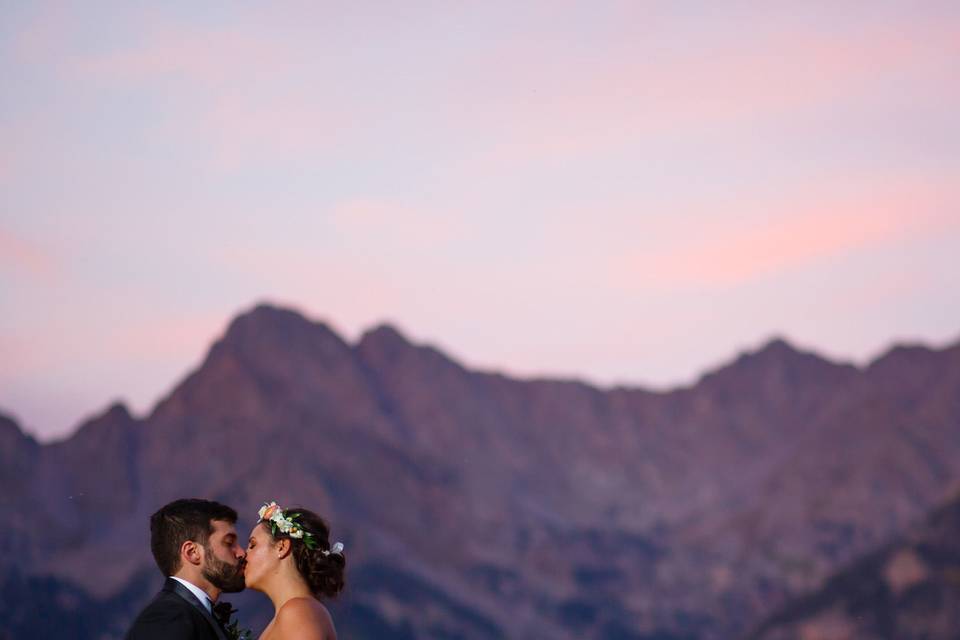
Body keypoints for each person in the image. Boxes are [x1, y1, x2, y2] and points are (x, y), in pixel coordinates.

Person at [126, 498, 247, 640]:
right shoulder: (168, 617)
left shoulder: (183, 612)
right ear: (192, 552)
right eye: (229, 543)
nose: (241, 553)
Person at [244, 501, 345, 640]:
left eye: (252, 545)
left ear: (282, 547)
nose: (244, 554)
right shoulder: (295, 612)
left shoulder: (299, 612)